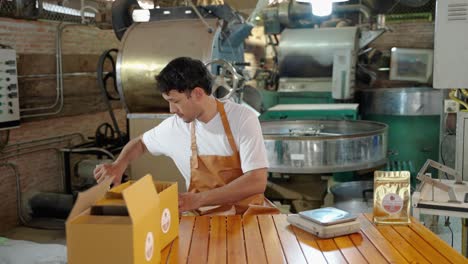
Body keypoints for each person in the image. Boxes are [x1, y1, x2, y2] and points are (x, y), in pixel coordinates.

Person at [94, 57, 278, 215]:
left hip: (248, 219)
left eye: (176, 102)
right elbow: (140, 143)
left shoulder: (242, 118)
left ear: (198, 93)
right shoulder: (176, 126)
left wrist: (197, 200)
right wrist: (119, 165)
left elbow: (256, 181)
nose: (172, 110)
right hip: (204, 222)